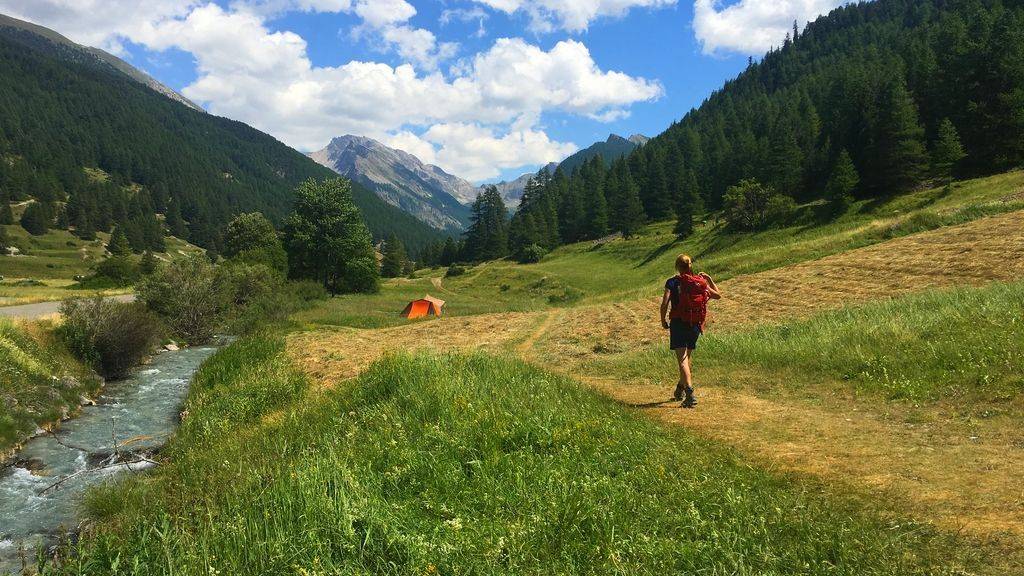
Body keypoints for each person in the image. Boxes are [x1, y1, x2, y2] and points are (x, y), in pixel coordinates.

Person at [660, 254, 721, 408]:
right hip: (695, 324)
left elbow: (665, 302)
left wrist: (663, 320)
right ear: (690, 265)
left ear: (677, 266)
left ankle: (690, 393)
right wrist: (709, 279)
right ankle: (680, 389)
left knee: (682, 360)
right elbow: (718, 295)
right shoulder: (699, 282)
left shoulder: (672, 282)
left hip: (679, 323)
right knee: (686, 359)